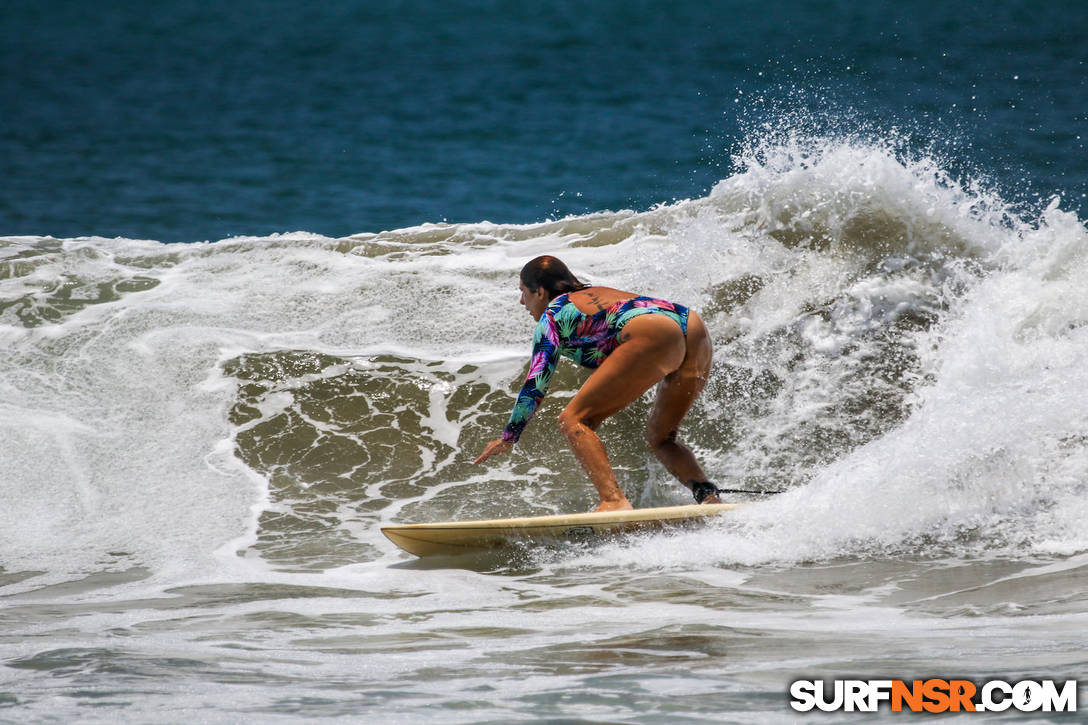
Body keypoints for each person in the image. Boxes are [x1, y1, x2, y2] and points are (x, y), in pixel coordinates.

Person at [474, 255, 721, 511]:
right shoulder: (599, 293)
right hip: (690, 324)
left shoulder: (553, 314)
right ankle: (708, 496)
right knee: (661, 437)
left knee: (573, 420)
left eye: (524, 292)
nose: (522, 301)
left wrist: (509, 436)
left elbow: (536, 382)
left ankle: (613, 501)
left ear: (541, 292)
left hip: (651, 331)